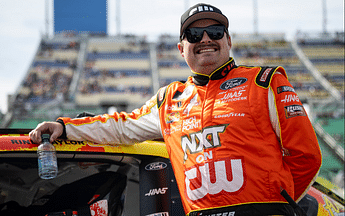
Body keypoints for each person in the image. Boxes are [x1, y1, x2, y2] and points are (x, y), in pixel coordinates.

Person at [30, 3, 322, 216]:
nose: (205, 39)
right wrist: (66, 127)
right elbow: (122, 125)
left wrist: (274, 204)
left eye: (215, 31)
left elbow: (306, 157)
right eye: (194, 35)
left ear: (228, 41)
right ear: (181, 48)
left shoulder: (265, 82)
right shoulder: (169, 99)